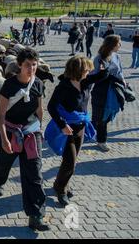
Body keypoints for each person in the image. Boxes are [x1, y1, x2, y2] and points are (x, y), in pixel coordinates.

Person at [0, 48, 49, 232]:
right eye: (27, 65)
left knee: (34, 173)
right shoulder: (9, 85)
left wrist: (41, 127)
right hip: (11, 130)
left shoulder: (38, 84)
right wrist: (5, 139)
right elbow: (1, 114)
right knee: (3, 161)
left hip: (31, 133)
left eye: (34, 64)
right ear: (20, 66)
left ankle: (36, 215)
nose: (31, 68)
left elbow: (39, 109)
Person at [46, 56, 109, 207]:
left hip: (80, 127)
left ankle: (59, 184)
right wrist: (62, 125)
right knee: (70, 162)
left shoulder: (85, 82)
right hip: (66, 129)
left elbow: (101, 76)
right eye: (86, 69)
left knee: (70, 161)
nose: (89, 72)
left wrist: (103, 66)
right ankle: (61, 189)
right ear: (78, 71)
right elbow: (51, 107)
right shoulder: (63, 87)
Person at [91, 35, 126, 152]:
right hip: (101, 91)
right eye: (118, 43)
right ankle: (101, 140)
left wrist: (123, 82)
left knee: (107, 115)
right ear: (112, 44)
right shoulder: (99, 58)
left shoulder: (117, 56)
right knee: (101, 117)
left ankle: (91, 131)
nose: (120, 45)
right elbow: (93, 75)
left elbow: (120, 71)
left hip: (114, 90)